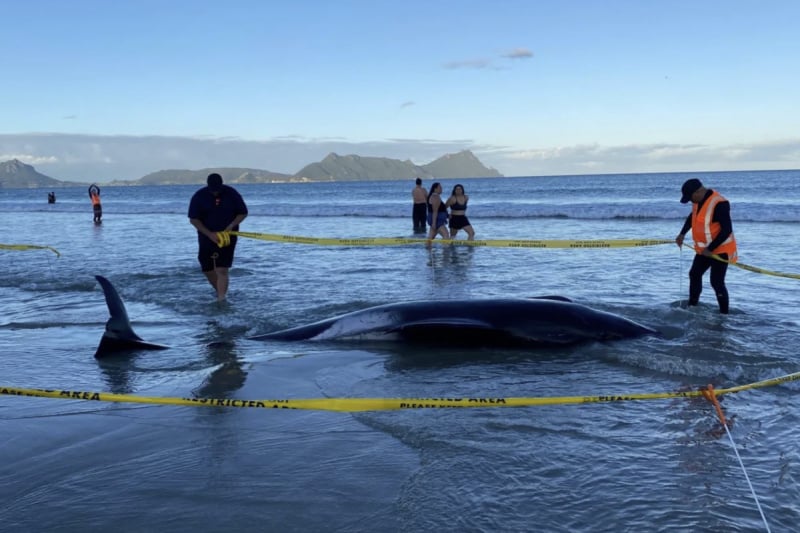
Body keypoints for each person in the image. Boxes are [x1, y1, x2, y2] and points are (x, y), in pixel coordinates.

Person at [675, 178, 737, 314]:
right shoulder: (698, 201)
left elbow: (727, 230)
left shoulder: (720, 203)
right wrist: (682, 234)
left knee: (716, 282)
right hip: (704, 250)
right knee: (694, 274)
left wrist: (711, 248)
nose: (691, 201)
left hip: (720, 249)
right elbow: (692, 217)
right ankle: (692, 306)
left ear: (698, 192)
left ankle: (724, 314)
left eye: (690, 198)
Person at [188, 173, 248, 302]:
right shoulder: (199, 196)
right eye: (213, 190)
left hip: (228, 235)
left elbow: (243, 213)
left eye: (218, 190)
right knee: (207, 268)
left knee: (222, 268)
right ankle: (219, 290)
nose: (216, 193)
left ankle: (222, 299)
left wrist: (232, 225)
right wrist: (209, 234)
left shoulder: (232, 193)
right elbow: (193, 219)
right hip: (206, 235)